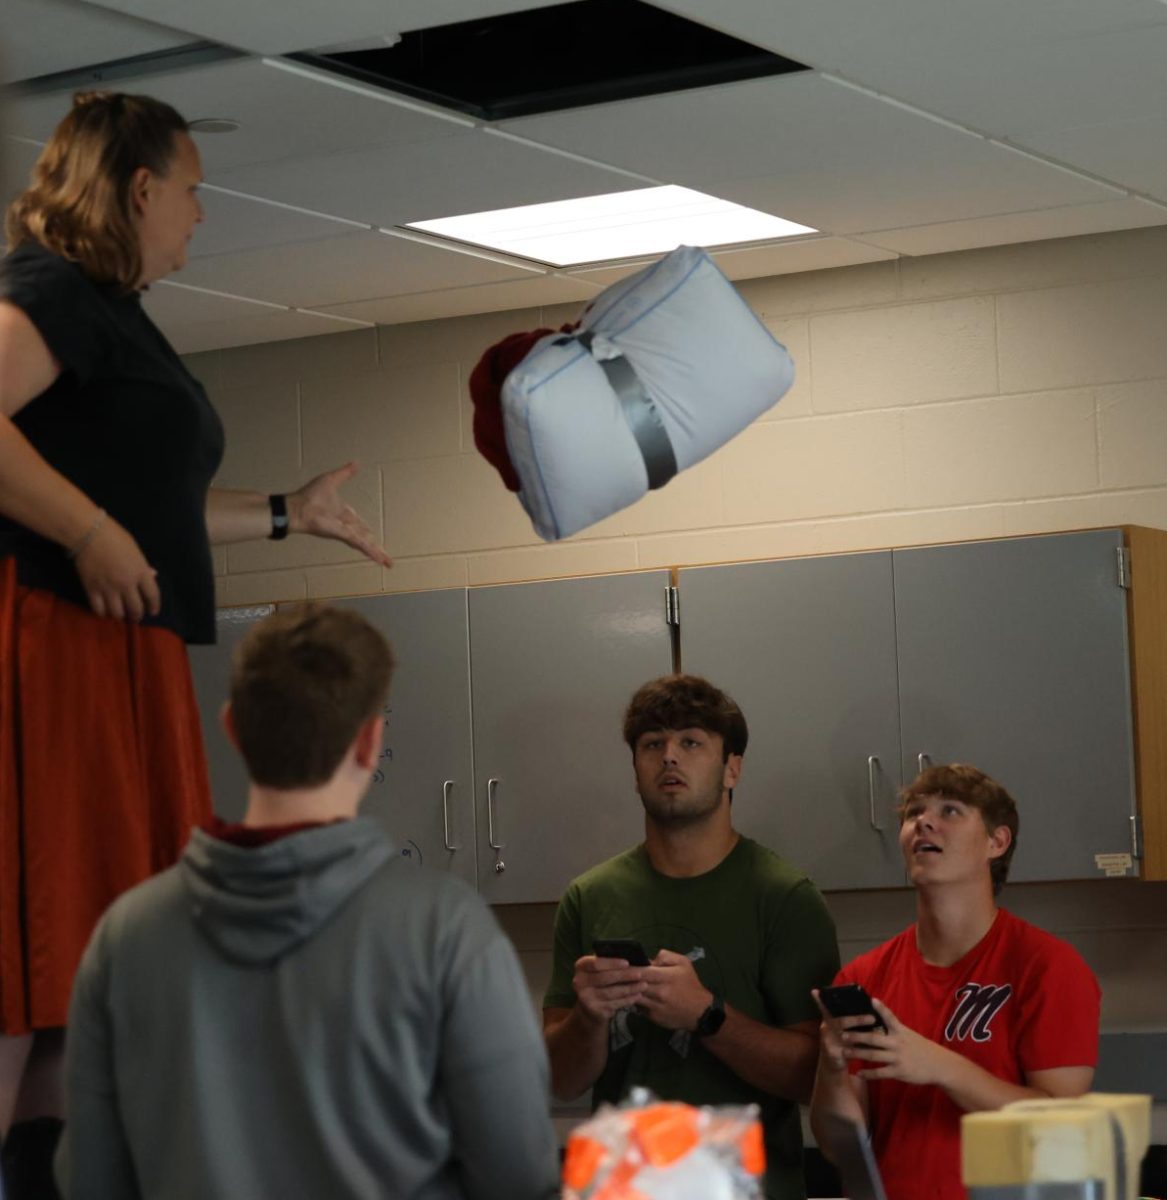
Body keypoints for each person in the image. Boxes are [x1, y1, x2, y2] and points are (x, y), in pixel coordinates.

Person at [0, 91, 391, 1193]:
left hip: (124, 655)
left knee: (88, 989)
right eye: (192, 191)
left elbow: (150, 498)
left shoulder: (117, 315)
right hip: (59, 653)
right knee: (37, 956)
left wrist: (285, 512)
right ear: (136, 190)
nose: (199, 216)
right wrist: (85, 532)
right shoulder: (51, 288)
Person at [55, 602, 560, 1200]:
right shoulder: (446, 930)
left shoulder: (125, 936)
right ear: (370, 742)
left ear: (232, 729)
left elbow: (89, 1180)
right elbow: (519, 1180)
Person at [543, 674, 841, 1200]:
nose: (669, 758)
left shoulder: (785, 897)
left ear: (732, 769)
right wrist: (588, 1019)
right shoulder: (589, 897)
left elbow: (817, 1076)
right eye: (652, 744)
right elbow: (557, 1082)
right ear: (635, 771)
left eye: (691, 742)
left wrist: (706, 1015)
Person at [810, 764, 1100, 1200]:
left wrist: (941, 1068)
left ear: (996, 842)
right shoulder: (863, 977)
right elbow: (840, 1148)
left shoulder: (1047, 966)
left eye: (950, 811)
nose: (924, 822)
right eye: (913, 814)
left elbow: (1059, 1128)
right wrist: (831, 1072)